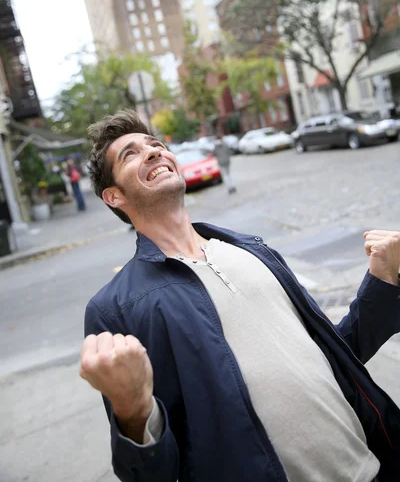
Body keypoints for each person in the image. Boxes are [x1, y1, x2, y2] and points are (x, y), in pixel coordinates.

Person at [80, 109, 400, 482]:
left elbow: (338, 354)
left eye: (156, 144)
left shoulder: (250, 249)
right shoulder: (116, 308)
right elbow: (154, 473)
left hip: (369, 468)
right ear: (114, 196)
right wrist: (132, 411)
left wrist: (383, 279)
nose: (153, 152)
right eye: (130, 154)